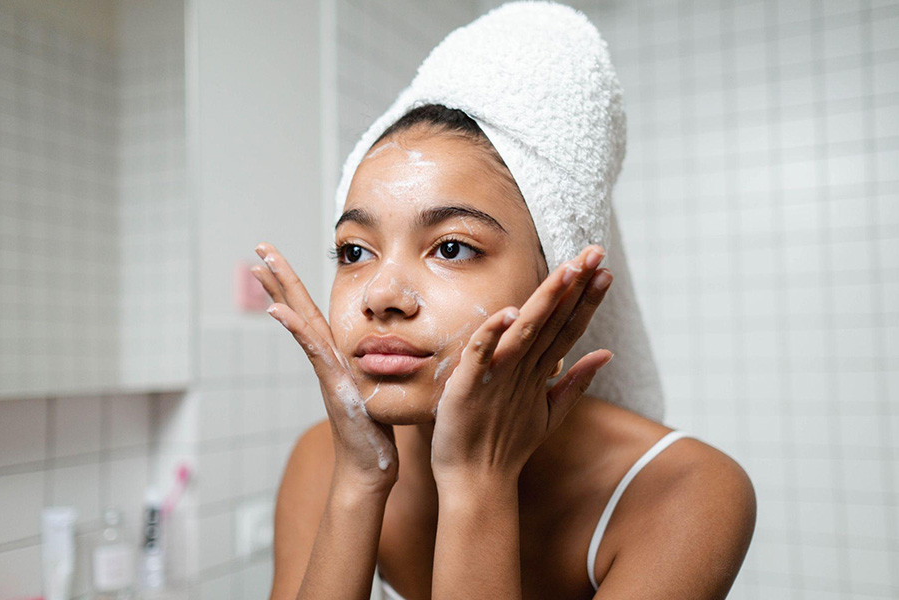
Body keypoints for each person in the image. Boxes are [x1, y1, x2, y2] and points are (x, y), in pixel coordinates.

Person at [258, 5, 755, 599]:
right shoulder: (328, 460)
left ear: (561, 286)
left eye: (450, 247)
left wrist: (477, 482)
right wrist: (360, 482)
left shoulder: (685, 492)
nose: (381, 295)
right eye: (354, 252)